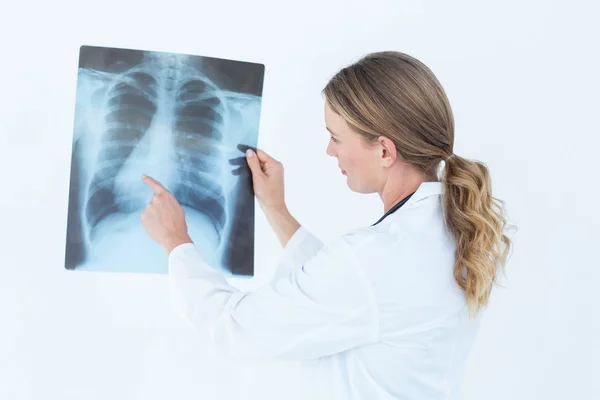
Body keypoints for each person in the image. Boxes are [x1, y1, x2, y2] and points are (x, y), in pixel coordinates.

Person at [139, 51, 513, 400]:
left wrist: (176, 240)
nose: (329, 151)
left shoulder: (374, 259)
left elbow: (236, 329)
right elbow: (351, 293)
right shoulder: (446, 232)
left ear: (384, 151)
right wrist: (275, 207)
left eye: (336, 137)